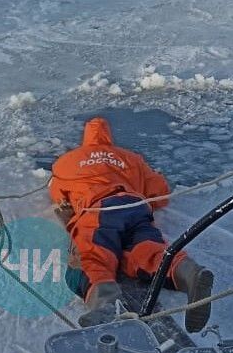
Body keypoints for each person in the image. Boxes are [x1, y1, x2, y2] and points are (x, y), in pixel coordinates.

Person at [49, 116, 214, 331]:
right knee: (148, 251)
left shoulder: (67, 160)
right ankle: (189, 273)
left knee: (92, 255)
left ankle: (105, 305)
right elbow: (159, 193)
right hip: (135, 205)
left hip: (98, 208)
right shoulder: (131, 158)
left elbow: (57, 194)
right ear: (108, 137)